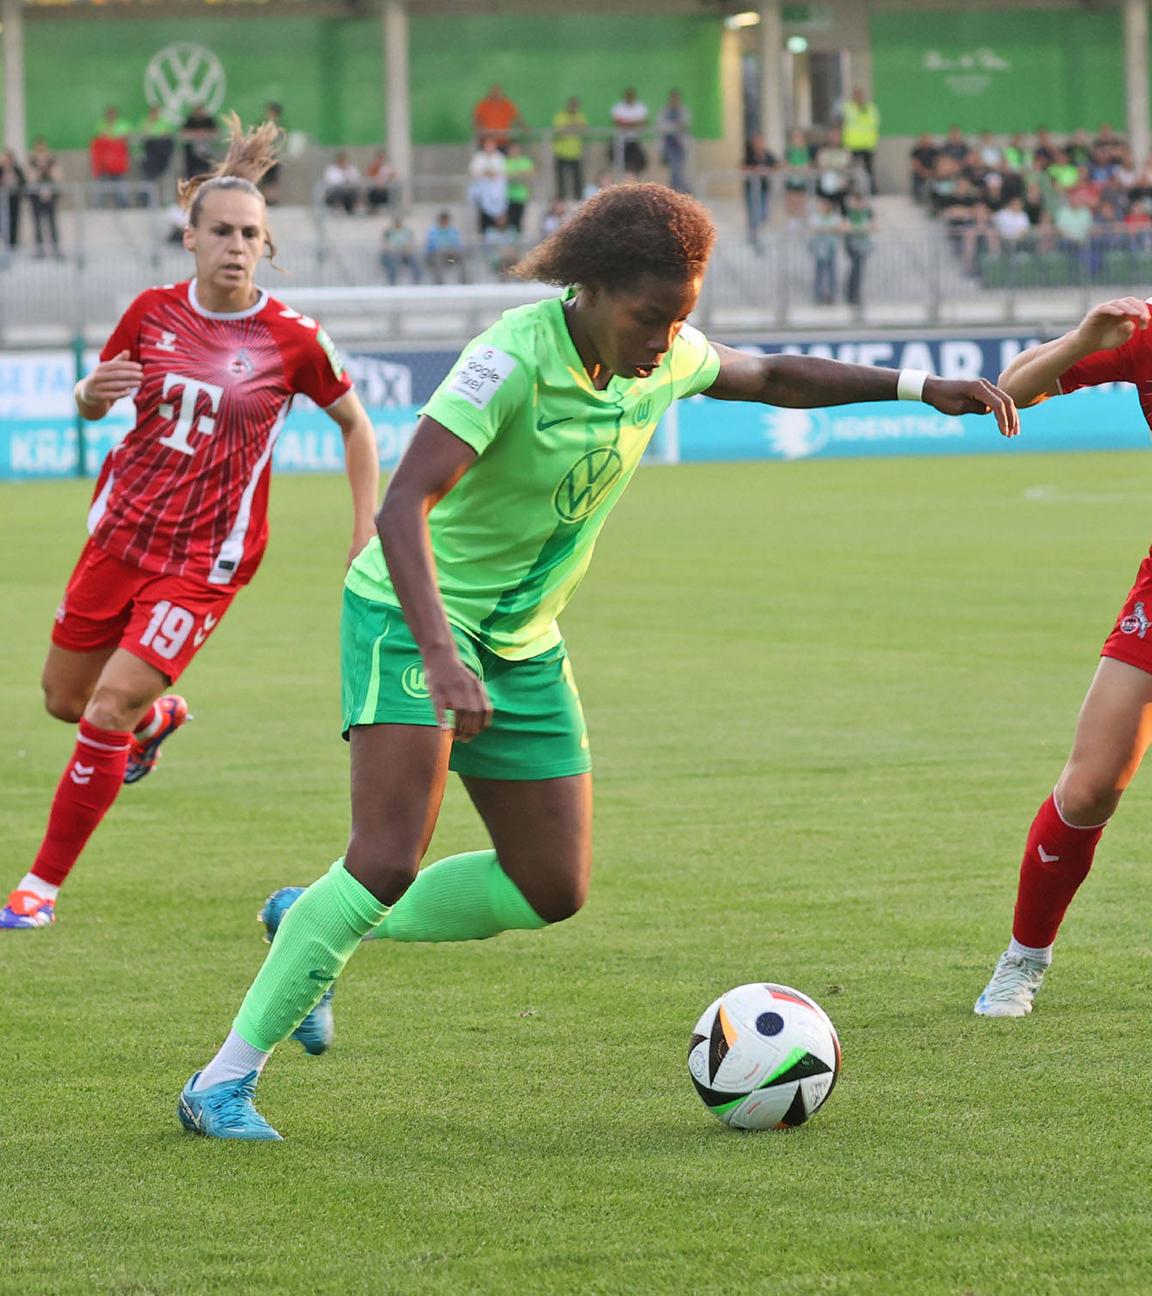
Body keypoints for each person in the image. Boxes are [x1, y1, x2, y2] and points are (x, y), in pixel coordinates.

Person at [173, 181, 1017, 1139]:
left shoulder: (660, 357)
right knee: (383, 858)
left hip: (524, 642)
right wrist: (446, 660)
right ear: (592, 287)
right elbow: (402, 504)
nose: (666, 341)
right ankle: (220, 1084)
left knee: (550, 887)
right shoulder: (508, 360)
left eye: (680, 321)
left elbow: (771, 373)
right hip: (415, 621)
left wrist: (916, 388)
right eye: (651, 318)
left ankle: (307, 921)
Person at [0, 116, 379, 933]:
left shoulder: (292, 339)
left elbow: (356, 424)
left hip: (204, 561)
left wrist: (364, 527)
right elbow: (94, 396)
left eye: (251, 234)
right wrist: (88, 396)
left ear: (266, 244)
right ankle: (156, 720)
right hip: (117, 539)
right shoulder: (149, 312)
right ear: (191, 236)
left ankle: (39, 888)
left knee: (104, 711)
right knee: (64, 701)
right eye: (222, 231)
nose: (236, 245)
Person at [973, 295, 1152, 1016]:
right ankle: (1023, 960)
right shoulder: (1144, 334)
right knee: (1090, 788)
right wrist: (1081, 339)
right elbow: (1007, 391)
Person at [839, 87, 880, 192]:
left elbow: (875, 123)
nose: (858, 98)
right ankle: (851, 189)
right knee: (851, 169)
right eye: (856, 95)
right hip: (852, 144)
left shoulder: (870, 108)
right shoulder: (848, 108)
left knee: (869, 169)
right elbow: (842, 123)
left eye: (860, 95)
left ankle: (871, 189)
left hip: (867, 143)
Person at [27, 137, 62, 258]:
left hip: (50, 197)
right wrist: (40, 170)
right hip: (37, 197)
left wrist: (48, 170)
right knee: (37, 224)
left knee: (52, 223)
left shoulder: (52, 160)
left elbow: (57, 176)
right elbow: (31, 178)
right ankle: (39, 250)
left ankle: (55, 248)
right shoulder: (31, 161)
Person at [90, 106, 131, 207]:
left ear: (116, 115)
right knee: (101, 183)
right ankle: (98, 205)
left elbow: (127, 139)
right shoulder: (100, 125)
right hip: (103, 161)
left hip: (117, 161)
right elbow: (98, 141)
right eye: (109, 114)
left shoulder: (123, 125)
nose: (111, 116)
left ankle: (123, 204)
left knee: (119, 182)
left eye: (113, 114)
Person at [742, 133, 778, 247]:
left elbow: (777, 165)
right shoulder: (750, 155)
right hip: (751, 189)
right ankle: (752, 235)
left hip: (764, 189)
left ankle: (759, 233)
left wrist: (767, 170)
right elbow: (742, 167)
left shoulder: (768, 155)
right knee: (753, 212)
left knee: (763, 213)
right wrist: (754, 169)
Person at [468, 137, 508, 234]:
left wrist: (493, 174)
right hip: (482, 189)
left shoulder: (499, 157)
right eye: (487, 145)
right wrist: (485, 173)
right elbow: (473, 172)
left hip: (496, 190)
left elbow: (502, 172)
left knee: (498, 212)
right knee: (483, 214)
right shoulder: (478, 157)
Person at [551, 97, 587, 201]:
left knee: (577, 177)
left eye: (576, 106)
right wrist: (573, 126)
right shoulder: (560, 116)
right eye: (572, 105)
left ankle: (578, 198)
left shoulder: (580, 116)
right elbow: (559, 131)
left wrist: (569, 127)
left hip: (576, 153)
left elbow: (584, 129)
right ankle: (561, 199)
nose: (574, 107)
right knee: (560, 178)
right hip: (561, 152)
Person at [657, 89, 692, 193]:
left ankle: (678, 191)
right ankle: (682, 192)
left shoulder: (683, 111)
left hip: (680, 145)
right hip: (669, 144)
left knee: (678, 171)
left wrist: (675, 126)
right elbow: (662, 126)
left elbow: (685, 125)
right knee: (674, 170)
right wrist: (675, 126)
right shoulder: (664, 111)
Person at [808, 195, 841, 304]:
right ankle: (818, 296)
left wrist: (824, 229)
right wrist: (827, 229)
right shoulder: (815, 217)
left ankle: (831, 296)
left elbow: (837, 228)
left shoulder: (834, 217)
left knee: (831, 273)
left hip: (830, 248)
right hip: (819, 249)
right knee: (819, 273)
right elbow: (814, 228)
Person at [843, 190, 873, 307]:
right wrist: (860, 228)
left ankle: (856, 294)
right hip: (852, 245)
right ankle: (852, 295)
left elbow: (873, 225)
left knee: (859, 271)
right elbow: (845, 227)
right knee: (855, 270)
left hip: (863, 244)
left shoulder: (867, 212)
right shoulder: (848, 213)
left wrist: (856, 228)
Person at [472, 85, 524, 151]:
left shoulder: (507, 104)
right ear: (490, 93)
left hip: (504, 141)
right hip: (488, 141)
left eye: (498, 93)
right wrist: (478, 130)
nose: (496, 94)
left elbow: (517, 118)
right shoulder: (483, 104)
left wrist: (524, 128)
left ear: (502, 93)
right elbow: (476, 120)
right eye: (494, 92)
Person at [611, 88, 649, 176]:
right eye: (628, 96)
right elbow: (617, 122)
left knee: (640, 162)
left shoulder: (640, 107)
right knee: (620, 163)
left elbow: (644, 122)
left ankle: (635, 181)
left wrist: (627, 123)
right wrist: (634, 123)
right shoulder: (618, 107)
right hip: (621, 140)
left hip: (634, 140)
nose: (630, 98)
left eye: (631, 96)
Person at [424, 209, 465, 282]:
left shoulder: (453, 230)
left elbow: (457, 244)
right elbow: (431, 245)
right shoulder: (433, 231)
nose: (444, 222)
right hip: (438, 257)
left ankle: (464, 280)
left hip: (451, 259)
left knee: (462, 257)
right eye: (443, 220)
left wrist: (451, 250)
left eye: (446, 220)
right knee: (438, 258)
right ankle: (439, 282)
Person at [139, 105, 176, 184]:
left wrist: (155, 135)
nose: (154, 114)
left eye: (156, 112)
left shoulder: (164, 122)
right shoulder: (145, 122)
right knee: (148, 177)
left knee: (164, 179)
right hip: (150, 154)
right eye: (152, 112)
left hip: (162, 155)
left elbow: (168, 134)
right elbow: (143, 134)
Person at [503, 141, 535, 234]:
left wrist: (514, 175)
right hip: (508, 196)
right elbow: (505, 176)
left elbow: (531, 174)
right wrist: (520, 174)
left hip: (521, 196)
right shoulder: (505, 161)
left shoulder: (525, 160)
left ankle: (517, 242)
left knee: (519, 221)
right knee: (509, 222)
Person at [379, 215, 421, 284]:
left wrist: (407, 249)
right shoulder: (388, 232)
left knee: (414, 260)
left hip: (404, 253)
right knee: (392, 263)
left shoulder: (407, 231)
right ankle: (392, 284)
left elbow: (410, 243)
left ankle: (417, 282)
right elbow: (385, 245)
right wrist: (393, 250)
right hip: (392, 253)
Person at [182, 104, 218, 181]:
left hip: (207, 149)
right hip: (191, 152)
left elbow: (215, 132)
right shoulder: (190, 120)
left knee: (206, 169)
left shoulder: (208, 120)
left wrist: (205, 133)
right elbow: (184, 133)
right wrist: (196, 134)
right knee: (191, 172)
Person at [0, 148, 26, 248]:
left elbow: (23, 181)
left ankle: (13, 246)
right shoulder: (1, 169)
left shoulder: (16, 169)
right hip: (2, 201)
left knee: (14, 223)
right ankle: (4, 244)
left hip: (14, 201)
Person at [323, 150, 361, 215]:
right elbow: (331, 182)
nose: (342, 161)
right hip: (336, 192)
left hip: (349, 192)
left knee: (355, 191)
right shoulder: (331, 169)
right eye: (340, 159)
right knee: (338, 191)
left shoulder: (351, 169)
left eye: (344, 159)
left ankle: (355, 209)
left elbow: (357, 180)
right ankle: (338, 208)